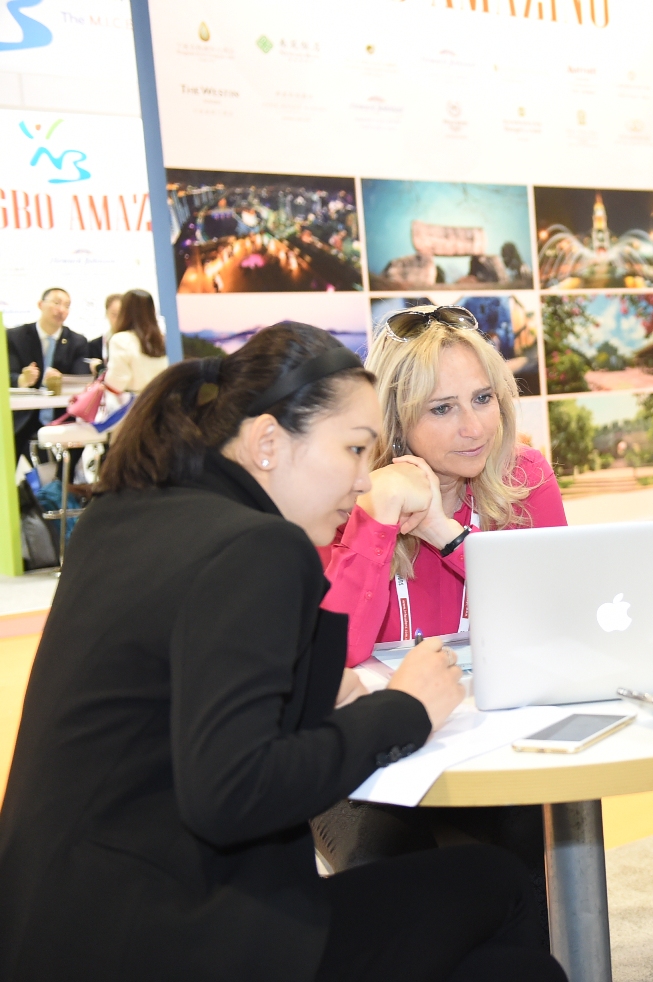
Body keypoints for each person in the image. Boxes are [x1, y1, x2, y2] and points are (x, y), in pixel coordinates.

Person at [0, 322, 565, 982]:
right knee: (500, 885)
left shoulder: (121, 516)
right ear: (267, 442)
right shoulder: (257, 547)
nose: (364, 480)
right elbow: (232, 792)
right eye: (354, 450)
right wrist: (405, 709)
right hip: (183, 934)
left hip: (56, 927)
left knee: (506, 965)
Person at [313, 305, 566, 899]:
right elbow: (334, 652)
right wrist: (378, 518)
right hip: (364, 756)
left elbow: (552, 617)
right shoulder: (344, 493)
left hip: (490, 741)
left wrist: (441, 532)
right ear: (396, 422)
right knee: (382, 866)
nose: (474, 427)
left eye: (483, 399)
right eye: (442, 409)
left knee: (529, 847)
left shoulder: (525, 476)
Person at [7, 287, 91, 459]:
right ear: (40, 304)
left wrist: (62, 380)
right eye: (56, 303)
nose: (61, 310)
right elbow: (7, 376)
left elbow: (80, 379)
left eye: (67, 306)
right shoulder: (15, 337)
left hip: (62, 418)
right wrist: (22, 380)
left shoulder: (77, 341)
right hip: (23, 419)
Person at [103, 288, 170, 395]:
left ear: (124, 311)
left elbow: (117, 382)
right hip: (163, 397)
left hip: (137, 401)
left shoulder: (121, 340)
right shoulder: (163, 339)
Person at [87, 292, 123, 362]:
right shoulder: (95, 345)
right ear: (107, 314)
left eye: (122, 315)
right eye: (114, 314)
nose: (119, 319)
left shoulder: (136, 343)